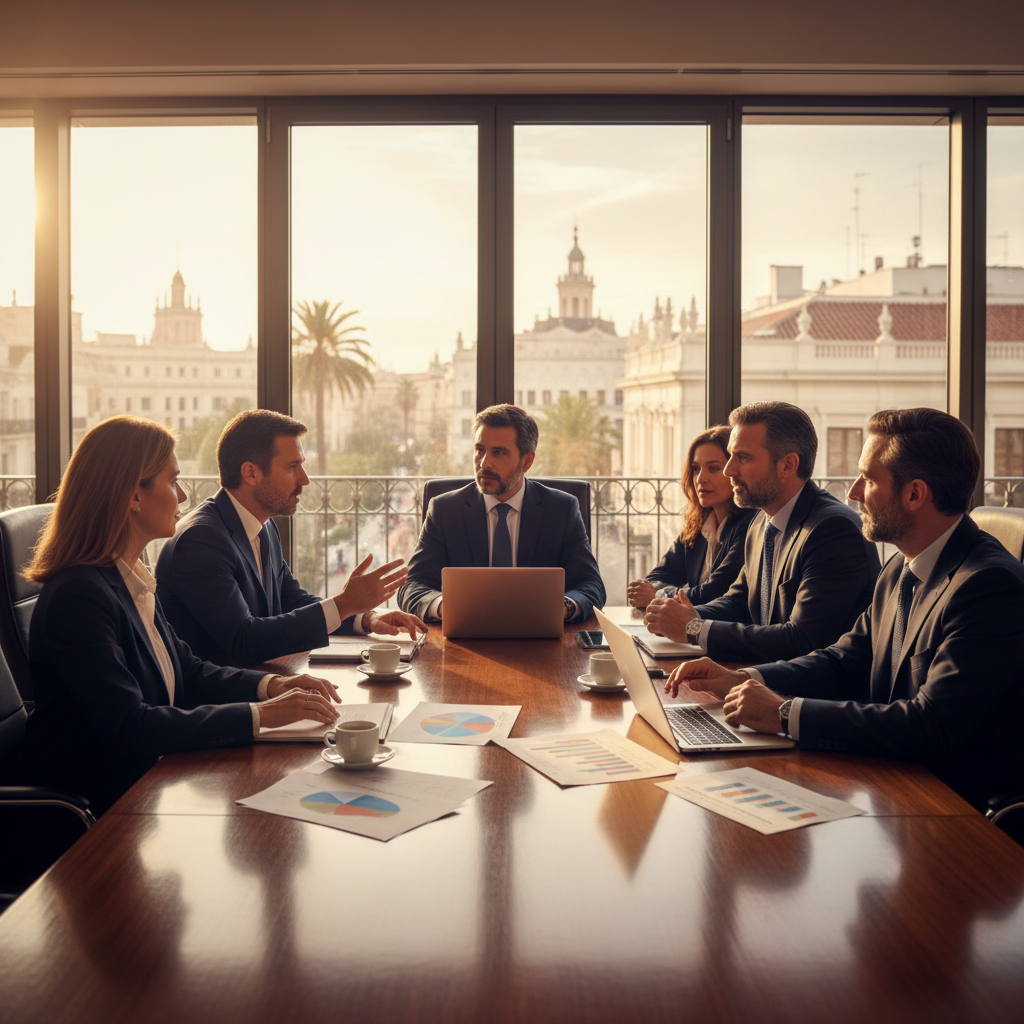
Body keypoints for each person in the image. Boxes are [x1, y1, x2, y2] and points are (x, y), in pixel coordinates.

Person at [666, 408, 1024, 808]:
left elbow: (931, 725)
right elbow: (843, 660)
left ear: (915, 494)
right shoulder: (898, 570)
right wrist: (747, 678)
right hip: (887, 780)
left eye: (868, 479)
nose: (852, 492)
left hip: (952, 810)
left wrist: (786, 714)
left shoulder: (988, 586)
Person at [22, 416, 340, 814]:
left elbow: (186, 670)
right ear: (132, 495)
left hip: (154, 784)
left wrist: (271, 686)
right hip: (103, 814)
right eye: (173, 481)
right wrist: (260, 716)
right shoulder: (79, 596)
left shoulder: (127, 577)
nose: (184, 495)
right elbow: (131, 727)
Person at [156, 410, 425, 670]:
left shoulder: (263, 525)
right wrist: (344, 603)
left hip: (266, 683)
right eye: (292, 467)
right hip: (222, 703)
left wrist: (365, 618)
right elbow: (244, 640)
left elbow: (291, 599)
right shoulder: (201, 540)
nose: (305, 480)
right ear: (250, 473)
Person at [644, 401, 880, 663]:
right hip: (762, 678)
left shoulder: (833, 530)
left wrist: (694, 629)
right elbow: (739, 601)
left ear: (788, 465)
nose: (728, 470)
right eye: (731, 456)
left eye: (743, 458)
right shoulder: (760, 521)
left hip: (813, 696)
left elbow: (802, 639)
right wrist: (684, 617)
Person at [397, 404, 606, 622]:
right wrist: (444, 607)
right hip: (465, 639)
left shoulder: (561, 510)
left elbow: (591, 585)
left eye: (499, 452)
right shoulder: (444, 510)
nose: (484, 463)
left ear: (527, 461)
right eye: (479, 450)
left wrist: (562, 608)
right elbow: (412, 586)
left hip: (539, 639)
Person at [626, 425, 756, 609]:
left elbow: (713, 592)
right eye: (695, 469)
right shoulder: (700, 524)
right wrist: (651, 591)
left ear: (734, 471)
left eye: (713, 468)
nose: (700, 478)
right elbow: (657, 577)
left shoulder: (751, 525)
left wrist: (657, 595)